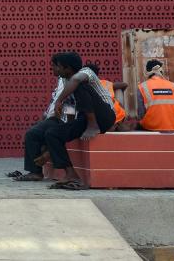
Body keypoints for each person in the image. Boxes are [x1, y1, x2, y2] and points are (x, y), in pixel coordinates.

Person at [12, 53, 117, 190]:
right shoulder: (68, 82)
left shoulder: (85, 72)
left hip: (104, 116)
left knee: (79, 86)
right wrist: (68, 130)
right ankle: (71, 174)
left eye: (56, 66)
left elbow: (76, 81)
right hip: (83, 117)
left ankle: (93, 125)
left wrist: (59, 100)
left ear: (67, 68)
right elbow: (70, 109)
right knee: (53, 133)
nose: (53, 69)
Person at [138, 60, 174, 131]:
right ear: (161, 71)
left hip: (151, 127)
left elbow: (141, 113)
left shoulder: (142, 87)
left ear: (147, 72)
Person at [88, 63, 128, 129]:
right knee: (118, 91)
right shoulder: (106, 83)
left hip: (103, 116)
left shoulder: (85, 85)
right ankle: (117, 124)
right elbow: (124, 84)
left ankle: (112, 125)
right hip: (117, 113)